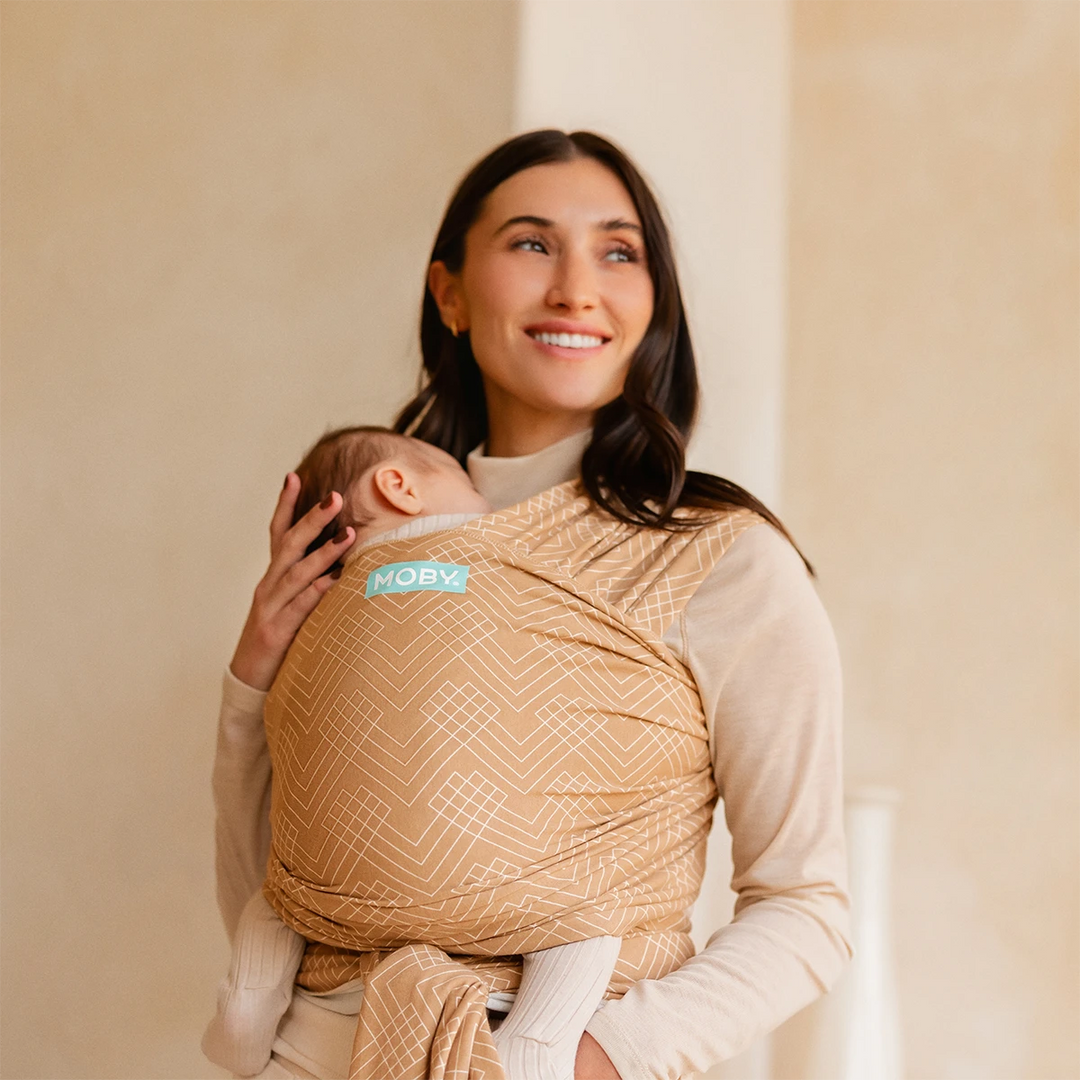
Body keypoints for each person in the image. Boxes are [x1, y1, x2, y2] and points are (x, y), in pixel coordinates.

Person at [214, 129, 852, 1080]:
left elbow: (806, 905)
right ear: (450, 294)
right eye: (530, 243)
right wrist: (250, 689)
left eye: (619, 251)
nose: (575, 288)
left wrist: (594, 1058)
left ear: (652, 302)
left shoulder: (719, 559)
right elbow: (281, 880)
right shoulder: (357, 539)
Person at [204, 424, 621, 1079]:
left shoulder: (310, 619)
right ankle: (538, 1040)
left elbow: (249, 842)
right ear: (398, 487)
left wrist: (251, 679)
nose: (485, 504)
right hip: (493, 875)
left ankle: (243, 1012)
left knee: (278, 902)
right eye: (466, 486)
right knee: (587, 912)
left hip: (319, 951)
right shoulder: (511, 562)